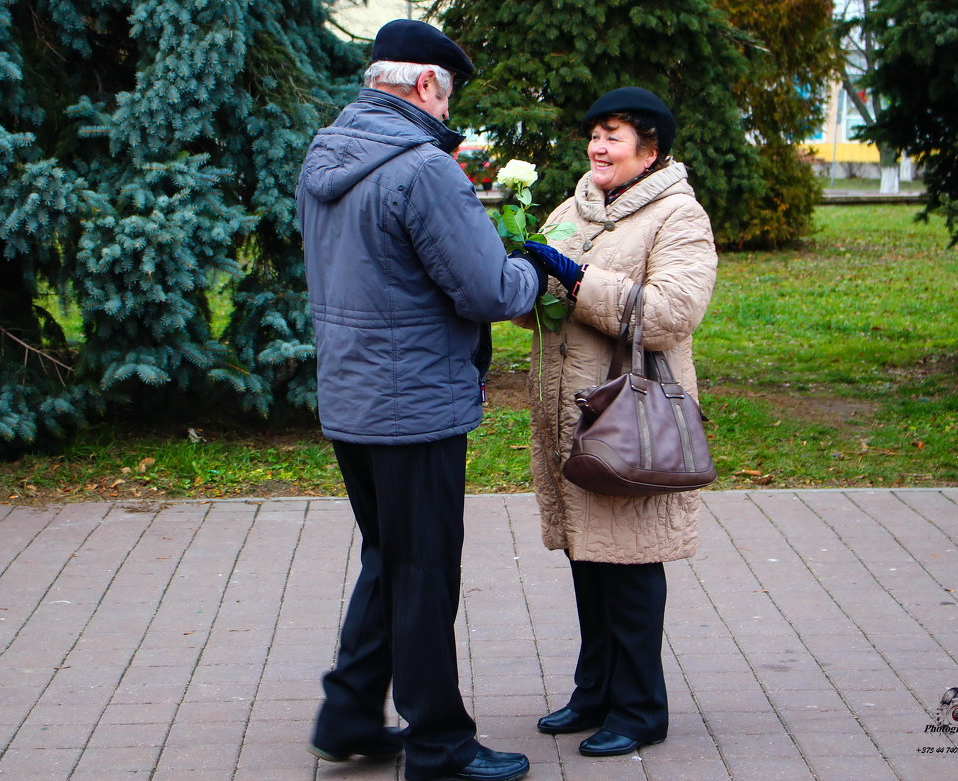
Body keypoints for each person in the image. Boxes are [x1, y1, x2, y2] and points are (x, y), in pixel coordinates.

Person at [295, 19, 544, 781]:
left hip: (352, 397)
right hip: (415, 406)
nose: (448, 113)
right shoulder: (423, 169)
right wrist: (535, 267)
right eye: (449, 95)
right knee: (424, 569)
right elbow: (489, 287)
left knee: (391, 557)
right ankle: (438, 743)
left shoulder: (325, 155)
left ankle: (347, 715)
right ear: (427, 85)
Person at [516, 87, 718, 758]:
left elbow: (669, 315)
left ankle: (640, 707)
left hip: (631, 420)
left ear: (650, 148)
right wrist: (517, 275)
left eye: (613, 135)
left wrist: (575, 279)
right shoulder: (571, 210)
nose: (597, 147)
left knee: (628, 564)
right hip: (570, 417)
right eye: (594, 134)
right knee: (587, 557)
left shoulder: (677, 217)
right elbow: (533, 305)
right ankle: (595, 689)